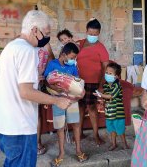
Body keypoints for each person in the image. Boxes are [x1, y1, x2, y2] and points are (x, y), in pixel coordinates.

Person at [0, 10, 71, 167]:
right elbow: (26, 92)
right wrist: (57, 100)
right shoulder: (27, 50)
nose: (47, 38)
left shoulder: (11, 48)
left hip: (6, 126)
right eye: (46, 33)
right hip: (20, 127)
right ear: (35, 30)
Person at [43, 42, 88, 166]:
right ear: (63, 54)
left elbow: (77, 82)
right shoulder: (52, 64)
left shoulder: (73, 67)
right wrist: (53, 87)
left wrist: (80, 92)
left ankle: (78, 150)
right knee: (60, 127)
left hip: (72, 100)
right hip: (57, 100)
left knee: (76, 125)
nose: (73, 60)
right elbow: (46, 81)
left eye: (75, 58)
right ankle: (61, 153)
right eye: (72, 57)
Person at [77, 18, 109, 146]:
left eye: (95, 34)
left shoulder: (101, 48)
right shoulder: (79, 44)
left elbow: (106, 68)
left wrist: (101, 85)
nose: (92, 36)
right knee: (80, 107)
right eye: (90, 33)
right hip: (78, 82)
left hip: (93, 82)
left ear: (99, 33)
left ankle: (96, 135)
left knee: (91, 108)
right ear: (86, 31)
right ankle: (79, 133)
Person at [93, 62, 129, 151]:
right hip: (109, 113)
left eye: (110, 73)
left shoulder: (117, 85)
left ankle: (124, 143)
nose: (107, 75)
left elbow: (111, 96)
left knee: (120, 130)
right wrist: (102, 101)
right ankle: (113, 144)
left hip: (118, 113)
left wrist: (101, 95)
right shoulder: (105, 85)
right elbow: (105, 97)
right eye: (106, 73)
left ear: (116, 76)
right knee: (112, 130)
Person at [37, 43, 55, 155]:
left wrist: (45, 74)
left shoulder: (44, 45)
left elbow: (51, 60)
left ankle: (37, 141)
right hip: (24, 83)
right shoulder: (23, 44)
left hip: (38, 83)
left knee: (36, 113)